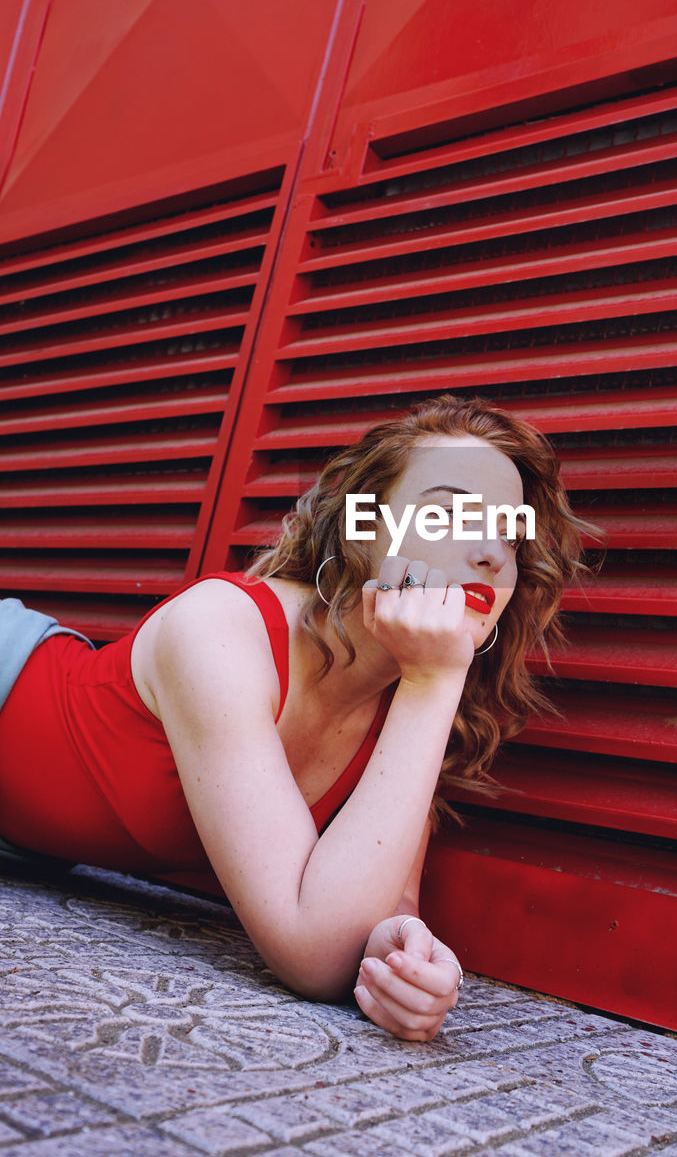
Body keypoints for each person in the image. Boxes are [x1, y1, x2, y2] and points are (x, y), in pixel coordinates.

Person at [0, 395, 589, 1041]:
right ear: (360, 529)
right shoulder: (221, 626)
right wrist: (433, 678)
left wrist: (404, 965)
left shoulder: (411, 708)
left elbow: (358, 930)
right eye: (448, 513)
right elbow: (309, 951)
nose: (489, 554)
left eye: (508, 534)